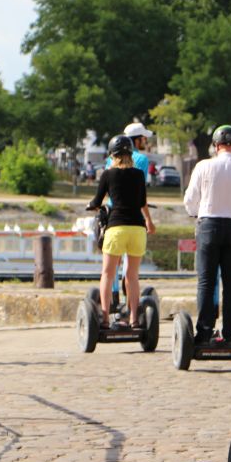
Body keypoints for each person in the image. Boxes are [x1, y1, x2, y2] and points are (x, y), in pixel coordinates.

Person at [183, 125, 231, 346]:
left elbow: (190, 201)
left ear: (215, 146)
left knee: (206, 281)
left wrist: (195, 212)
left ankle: (204, 332)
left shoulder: (204, 166)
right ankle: (230, 333)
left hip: (209, 224)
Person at [88, 135, 156, 329]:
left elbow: (96, 201)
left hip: (116, 227)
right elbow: (142, 201)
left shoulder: (108, 174)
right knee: (132, 275)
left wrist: (92, 206)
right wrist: (149, 221)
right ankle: (134, 318)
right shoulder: (138, 175)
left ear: (112, 154)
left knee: (108, 274)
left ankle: (105, 318)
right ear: (130, 153)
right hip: (137, 229)